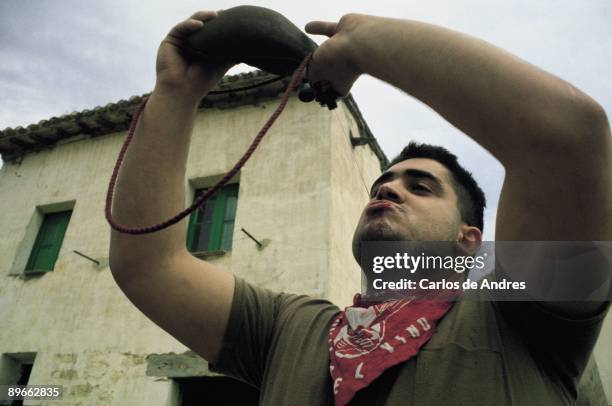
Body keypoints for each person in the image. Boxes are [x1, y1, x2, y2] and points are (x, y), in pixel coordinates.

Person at [108, 10, 611, 405]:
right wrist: (174, 93)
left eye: (421, 187)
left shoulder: (521, 314)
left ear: (469, 238)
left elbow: (568, 137)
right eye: (384, 180)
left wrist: (360, 43)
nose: (388, 189)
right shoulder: (289, 330)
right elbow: (149, 267)